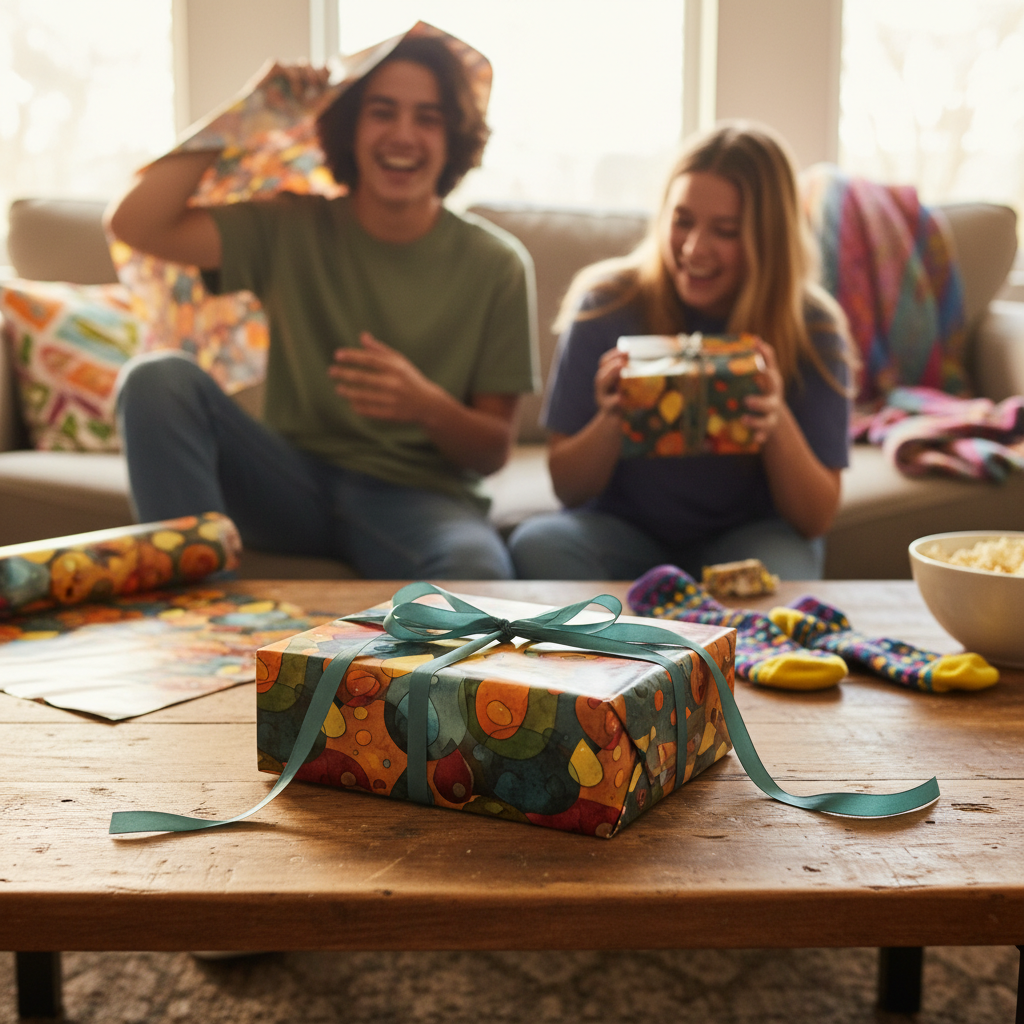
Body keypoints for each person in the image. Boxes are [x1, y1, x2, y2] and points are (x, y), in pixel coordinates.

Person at [107, 31, 538, 579]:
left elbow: (493, 450)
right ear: (350, 126)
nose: (403, 135)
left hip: (419, 500)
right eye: (383, 112)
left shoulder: (498, 264)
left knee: (478, 573)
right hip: (290, 483)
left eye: (428, 118)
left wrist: (426, 404)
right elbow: (136, 222)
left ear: (453, 137)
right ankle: (199, 621)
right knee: (156, 379)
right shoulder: (291, 225)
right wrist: (252, 110)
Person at [508, 122, 854, 582]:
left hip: (751, 536)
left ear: (768, 239)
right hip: (621, 534)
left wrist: (776, 422)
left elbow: (815, 519)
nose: (694, 249)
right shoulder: (607, 304)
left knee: (782, 577)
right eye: (682, 221)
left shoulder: (813, 327)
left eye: (726, 231)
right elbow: (568, 490)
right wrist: (612, 419)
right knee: (538, 546)